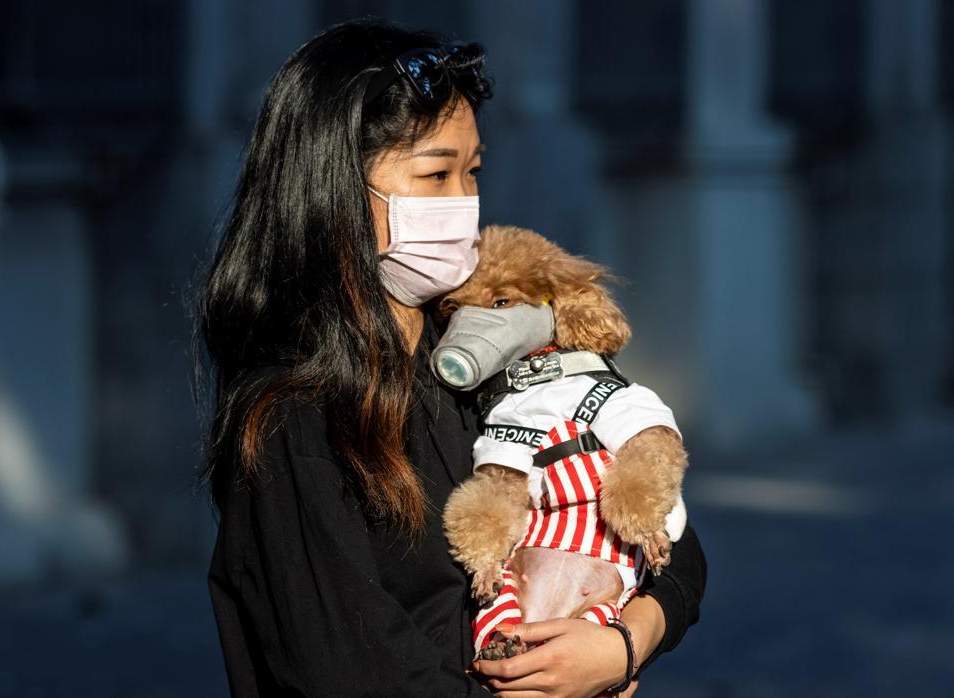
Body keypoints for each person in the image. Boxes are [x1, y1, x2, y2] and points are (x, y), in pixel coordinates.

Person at [193, 17, 706, 697]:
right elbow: (351, 671)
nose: (463, 205)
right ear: (335, 189)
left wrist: (621, 647)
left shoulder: (496, 360)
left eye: (472, 172)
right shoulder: (291, 417)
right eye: (435, 174)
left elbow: (674, 543)